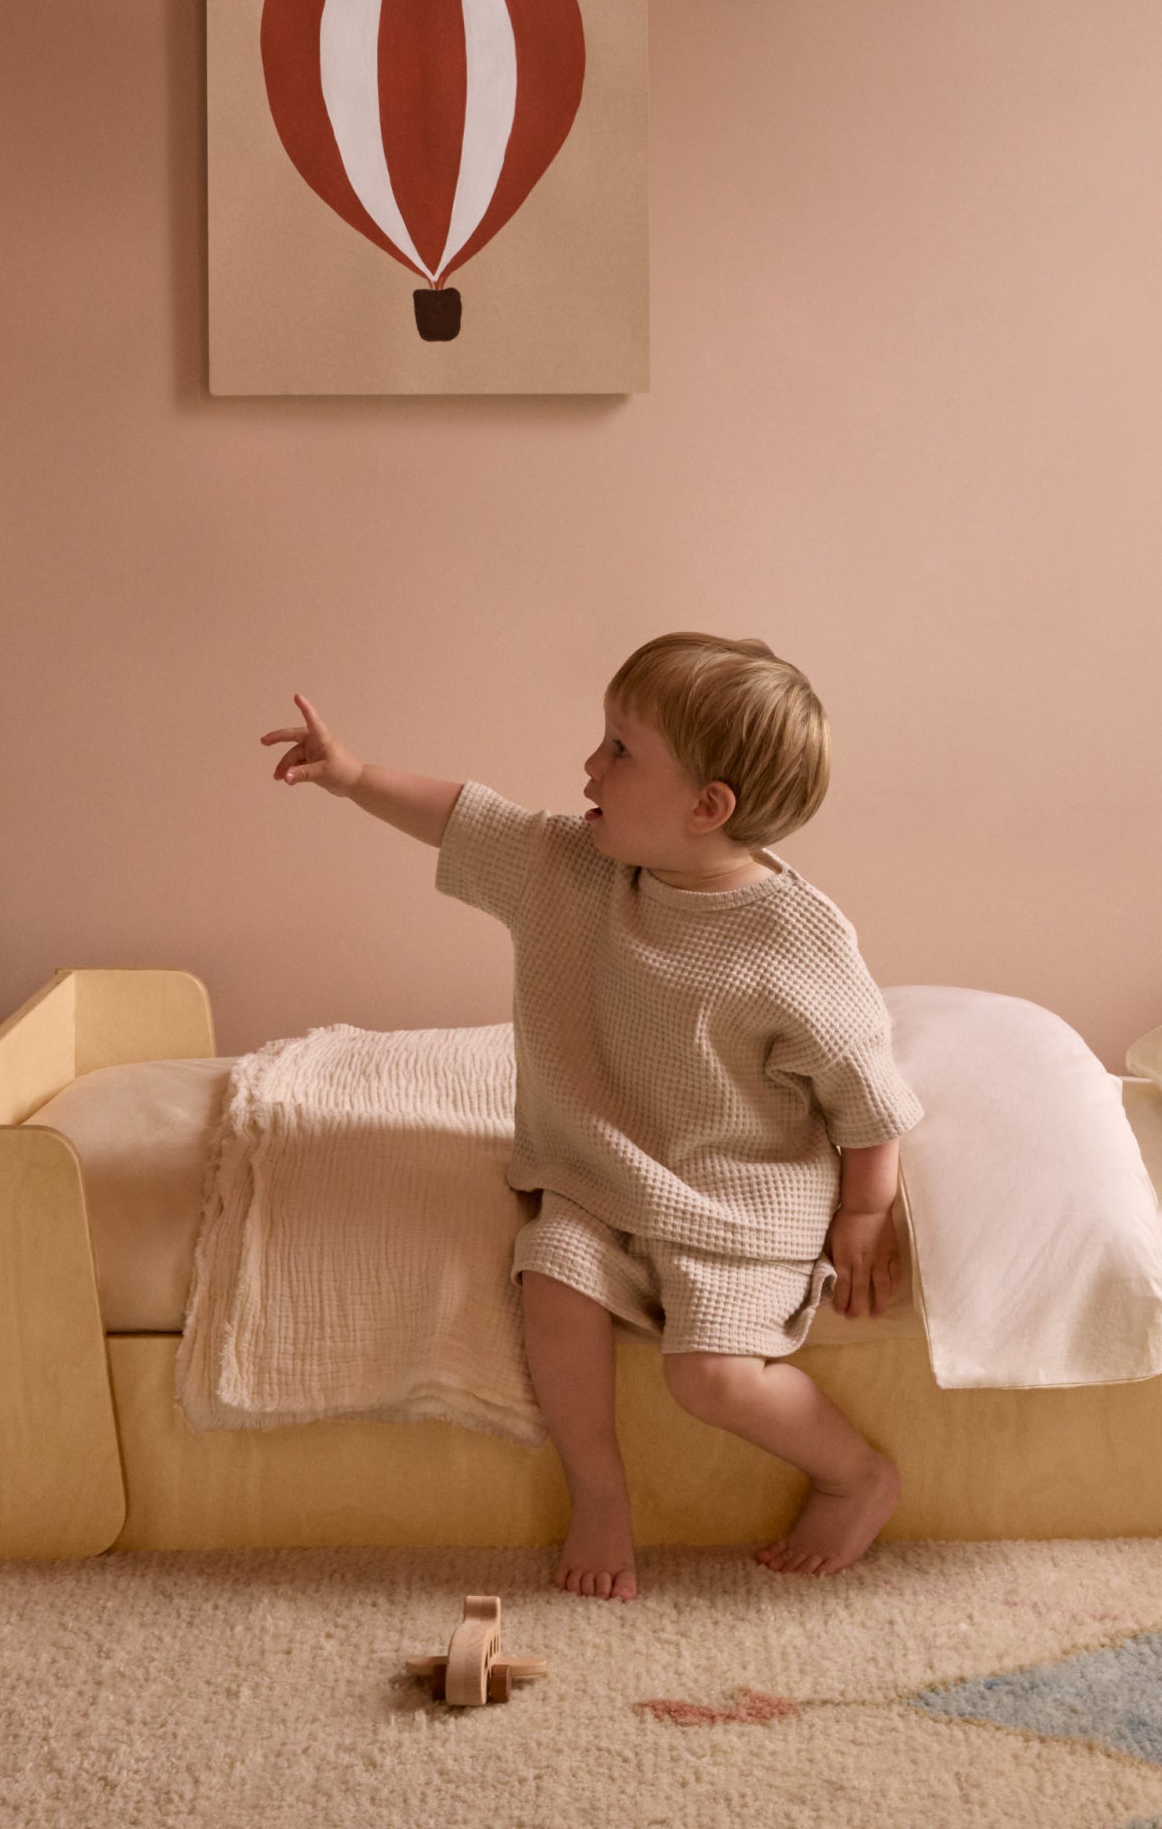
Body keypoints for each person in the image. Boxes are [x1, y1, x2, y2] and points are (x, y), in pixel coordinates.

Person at [261, 632, 923, 1601]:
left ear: (707, 807)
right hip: (598, 1175)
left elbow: (866, 1094)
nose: (588, 766)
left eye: (619, 749)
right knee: (551, 1282)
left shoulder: (795, 939)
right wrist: (353, 774)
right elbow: (462, 818)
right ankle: (598, 1488)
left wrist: (864, 1211)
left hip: (738, 1197)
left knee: (711, 1376)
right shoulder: (575, 867)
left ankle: (854, 1471)